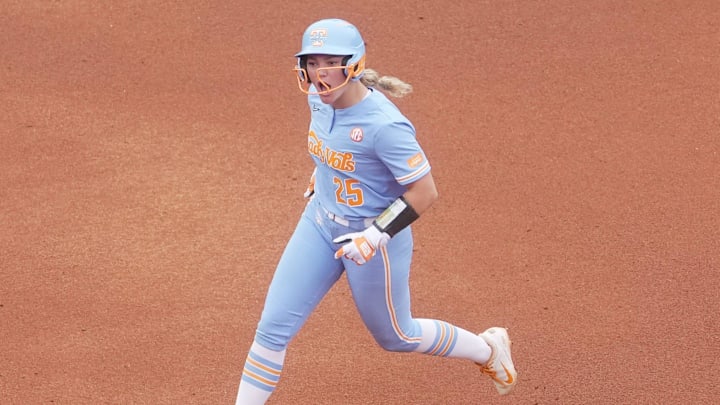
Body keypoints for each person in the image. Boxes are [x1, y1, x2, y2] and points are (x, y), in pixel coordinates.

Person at [234, 18, 517, 404]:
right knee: (270, 330)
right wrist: (324, 173)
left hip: (374, 240)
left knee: (397, 336)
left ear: (353, 64)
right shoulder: (317, 98)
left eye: (329, 62)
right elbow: (334, 147)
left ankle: (488, 349)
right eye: (312, 62)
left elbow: (425, 191)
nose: (319, 74)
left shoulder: (386, 126)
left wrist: (374, 235)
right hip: (319, 225)